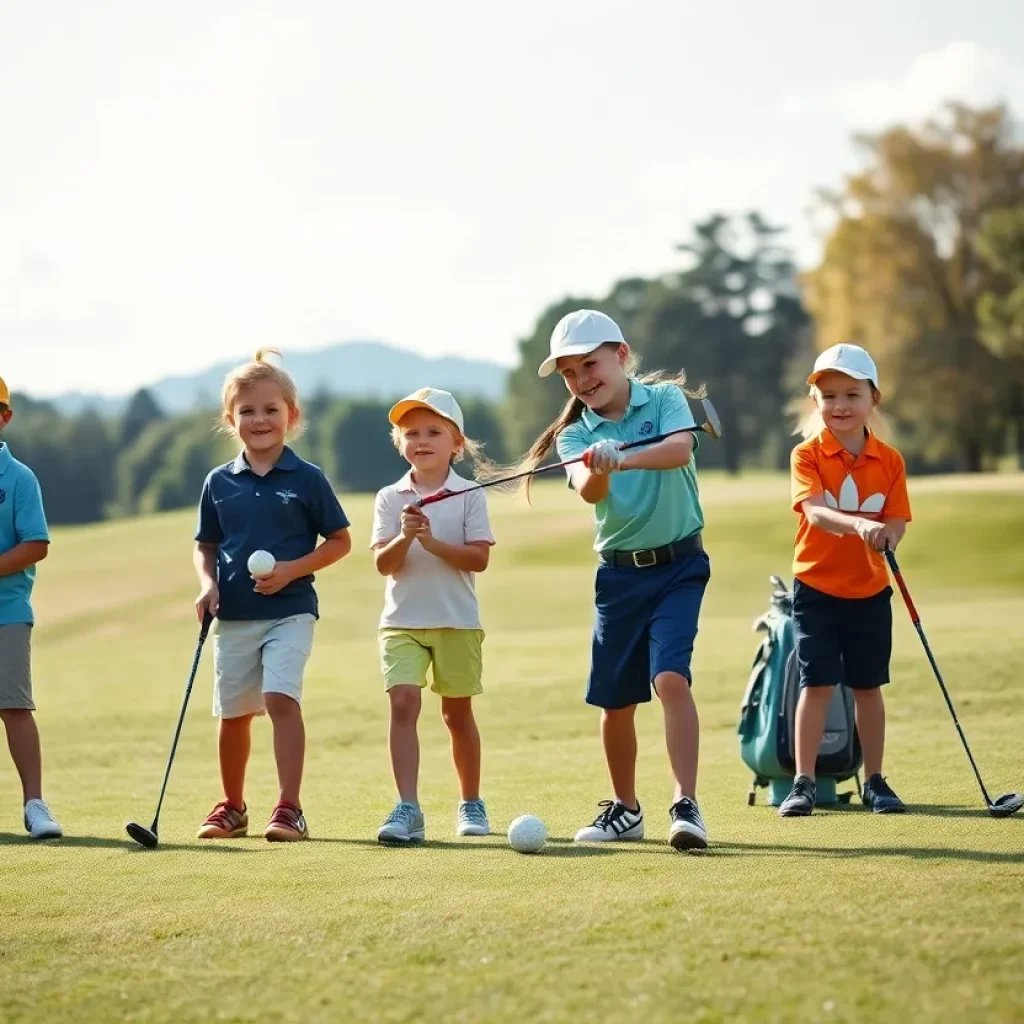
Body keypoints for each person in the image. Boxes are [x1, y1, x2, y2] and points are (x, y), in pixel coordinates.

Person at [520, 309, 711, 852]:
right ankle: (626, 809)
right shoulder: (576, 433)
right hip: (619, 577)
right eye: (570, 374)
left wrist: (622, 460)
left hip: (679, 566)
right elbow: (586, 490)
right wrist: (597, 468)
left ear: (621, 356)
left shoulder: (666, 399)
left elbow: (680, 450)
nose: (582, 380)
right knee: (614, 702)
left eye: (591, 364)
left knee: (670, 678)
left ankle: (685, 803)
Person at [193, 350, 351, 841]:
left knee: (281, 698)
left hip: (291, 610)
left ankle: (289, 808)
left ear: (292, 416)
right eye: (247, 411)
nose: (259, 420)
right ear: (230, 419)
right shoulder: (218, 482)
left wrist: (291, 572)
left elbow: (340, 542)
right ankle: (233, 807)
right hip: (235, 614)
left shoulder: (308, 479)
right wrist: (208, 584)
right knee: (234, 713)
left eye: (270, 409)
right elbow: (206, 547)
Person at [778, 343, 912, 817]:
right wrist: (860, 525)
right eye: (828, 395)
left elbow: (896, 521)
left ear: (873, 398)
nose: (839, 405)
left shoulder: (890, 460)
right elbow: (815, 513)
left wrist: (887, 537)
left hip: (871, 590)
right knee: (816, 684)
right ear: (815, 402)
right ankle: (803, 782)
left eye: (851, 394)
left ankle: (874, 780)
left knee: (867, 686)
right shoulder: (807, 455)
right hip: (816, 588)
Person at [371, 388, 495, 844]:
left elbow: (478, 560)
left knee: (456, 715)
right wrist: (405, 538)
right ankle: (408, 807)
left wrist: (429, 542)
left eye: (433, 432)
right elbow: (385, 564)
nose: (421, 440)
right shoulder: (390, 497)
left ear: (456, 444)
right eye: (410, 433)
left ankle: (471, 802)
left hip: (456, 620)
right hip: (402, 620)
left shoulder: (468, 495)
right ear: (399, 442)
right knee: (402, 702)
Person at [0, 374, 63, 840]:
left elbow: (36, 544)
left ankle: (34, 805)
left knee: (14, 707)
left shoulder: (18, 478)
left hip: (7, 610)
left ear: (4, 417)